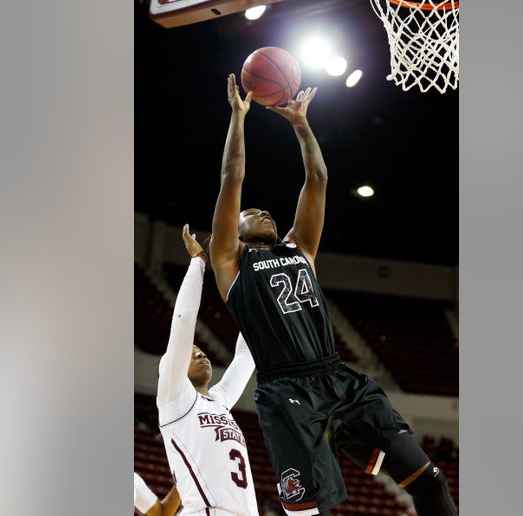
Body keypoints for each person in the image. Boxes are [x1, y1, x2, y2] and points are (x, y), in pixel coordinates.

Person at [208, 73, 458, 516]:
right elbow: (232, 176)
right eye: (250, 213)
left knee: (431, 483)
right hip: (287, 392)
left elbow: (318, 178)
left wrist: (301, 125)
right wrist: (238, 117)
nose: (262, 210)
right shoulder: (231, 262)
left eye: (264, 209)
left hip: (339, 379)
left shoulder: (300, 248)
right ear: (237, 232)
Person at [156, 223, 260, 516]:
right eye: (191, 353)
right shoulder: (175, 399)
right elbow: (184, 320)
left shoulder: (220, 401)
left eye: (201, 351)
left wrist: (252, 283)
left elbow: (245, 354)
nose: (200, 353)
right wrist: (198, 262)